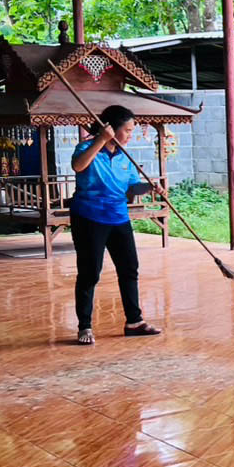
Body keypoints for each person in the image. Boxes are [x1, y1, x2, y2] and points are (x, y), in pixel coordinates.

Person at [69, 105, 161, 345]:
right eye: (127, 130)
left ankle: (134, 321)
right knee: (90, 271)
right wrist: (101, 139)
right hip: (89, 217)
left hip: (118, 216)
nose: (130, 135)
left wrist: (149, 187)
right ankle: (85, 326)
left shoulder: (124, 156)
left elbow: (132, 187)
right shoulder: (86, 148)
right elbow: (78, 166)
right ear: (111, 128)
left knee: (129, 268)